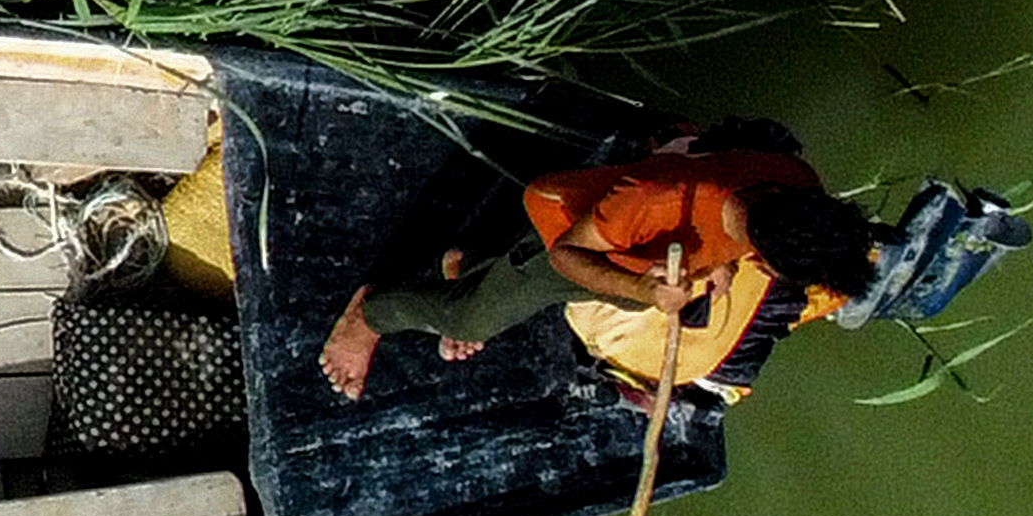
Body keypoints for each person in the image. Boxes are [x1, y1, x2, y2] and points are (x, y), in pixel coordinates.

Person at [320, 121, 883, 409]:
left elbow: (732, 243)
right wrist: (641, 289)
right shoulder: (660, 199)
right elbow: (569, 256)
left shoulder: (794, 183)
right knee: (471, 321)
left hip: (651, 257)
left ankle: (469, 268)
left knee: (507, 290)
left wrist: (719, 269)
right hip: (568, 229)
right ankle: (371, 316)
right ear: (765, 252)